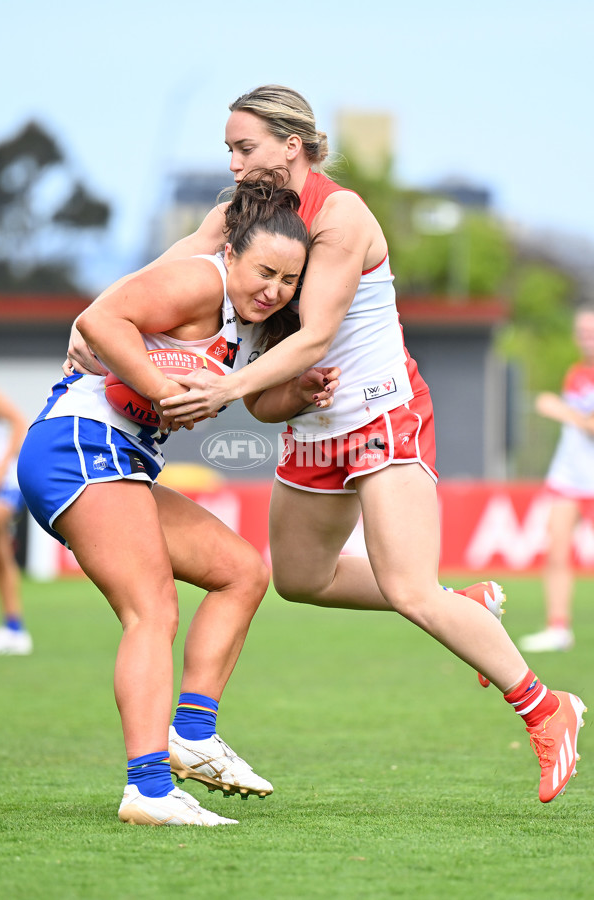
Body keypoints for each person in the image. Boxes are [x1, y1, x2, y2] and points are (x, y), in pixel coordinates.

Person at [66, 85, 586, 804]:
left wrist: (223, 392)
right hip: (308, 422)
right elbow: (176, 258)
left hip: (379, 416)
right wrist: (90, 319)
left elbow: (312, 336)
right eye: (228, 151)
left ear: (292, 145)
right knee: (300, 578)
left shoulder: (341, 218)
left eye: (245, 148)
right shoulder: (241, 216)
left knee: (407, 588)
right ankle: (460, 605)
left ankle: (544, 706)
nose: (236, 163)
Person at [18, 174, 335, 826]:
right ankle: (148, 791)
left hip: (122, 459)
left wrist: (301, 392)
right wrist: (161, 389)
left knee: (242, 572)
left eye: (287, 281)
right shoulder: (201, 281)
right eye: (264, 272)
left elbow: (255, 401)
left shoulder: (255, 323)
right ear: (232, 257)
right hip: (77, 442)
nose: (273, 290)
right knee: (153, 610)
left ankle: (191, 735)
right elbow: (98, 320)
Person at [519, 306, 594, 653]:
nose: (585, 338)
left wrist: (557, 408)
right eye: (581, 331)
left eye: (590, 331)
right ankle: (558, 627)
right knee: (557, 550)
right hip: (569, 477)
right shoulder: (577, 373)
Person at [0, 386, 32, 655]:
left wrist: (3, 465)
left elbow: (19, 421)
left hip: (3, 483)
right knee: (0, 554)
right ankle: (15, 630)